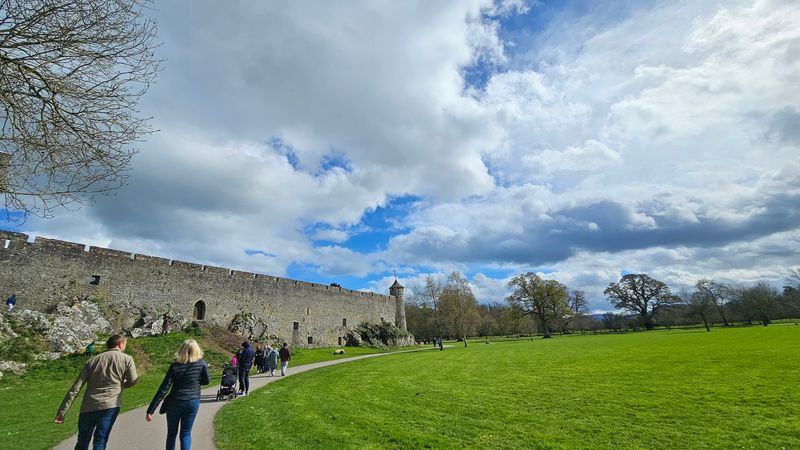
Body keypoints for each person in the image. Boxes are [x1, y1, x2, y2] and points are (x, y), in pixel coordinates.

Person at [54, 334, 138, 450]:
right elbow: (133, 381)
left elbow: (75, 388)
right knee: (100, 441)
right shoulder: (126, 359)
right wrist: (121, 384)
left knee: (82, 441)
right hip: (110, 405)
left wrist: (61, 412)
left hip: (88, 406)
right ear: (120, 344)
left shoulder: (92, 361)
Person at [145, 339, 210, 450]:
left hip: (174, 402)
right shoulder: (201, 364)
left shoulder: (174, 366)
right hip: (192, 401)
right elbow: (206, 381)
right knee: (186, 433)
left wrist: (151, 410)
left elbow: (164, 388)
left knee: (171, 434)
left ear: (182, 350)